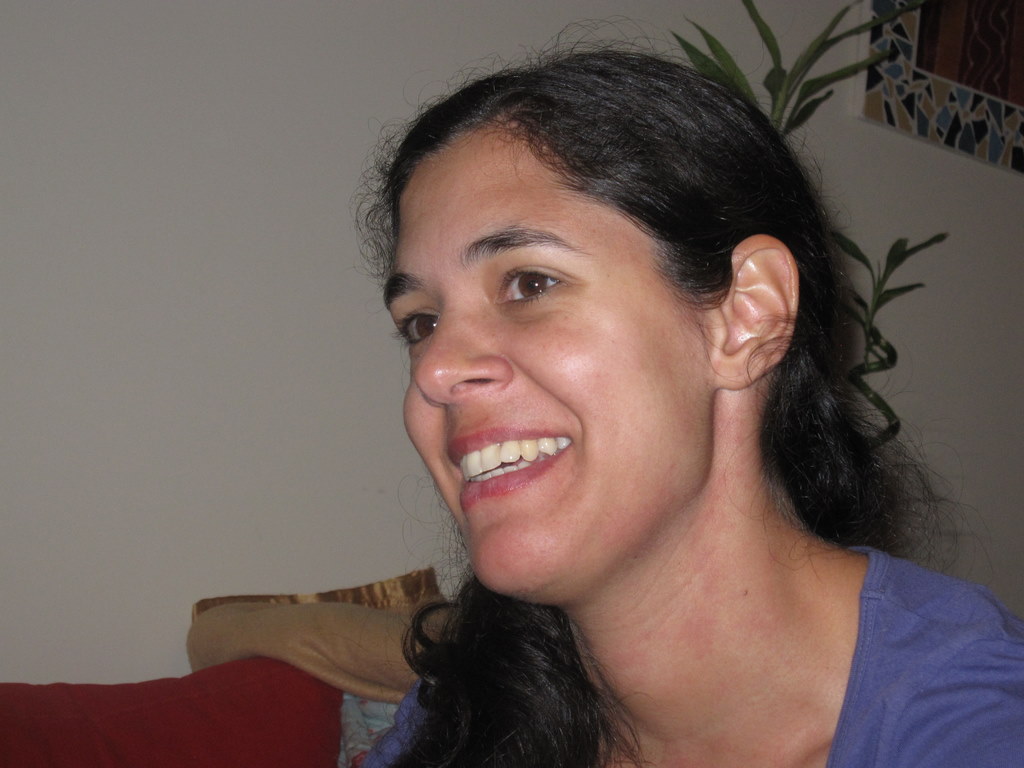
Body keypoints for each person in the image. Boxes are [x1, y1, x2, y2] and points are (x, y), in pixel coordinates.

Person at [357, 47, 1024, 768]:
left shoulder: (973, 726)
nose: (436, 369)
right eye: (421, 323)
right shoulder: (465, 715)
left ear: (746, 317)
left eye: (530, 284)